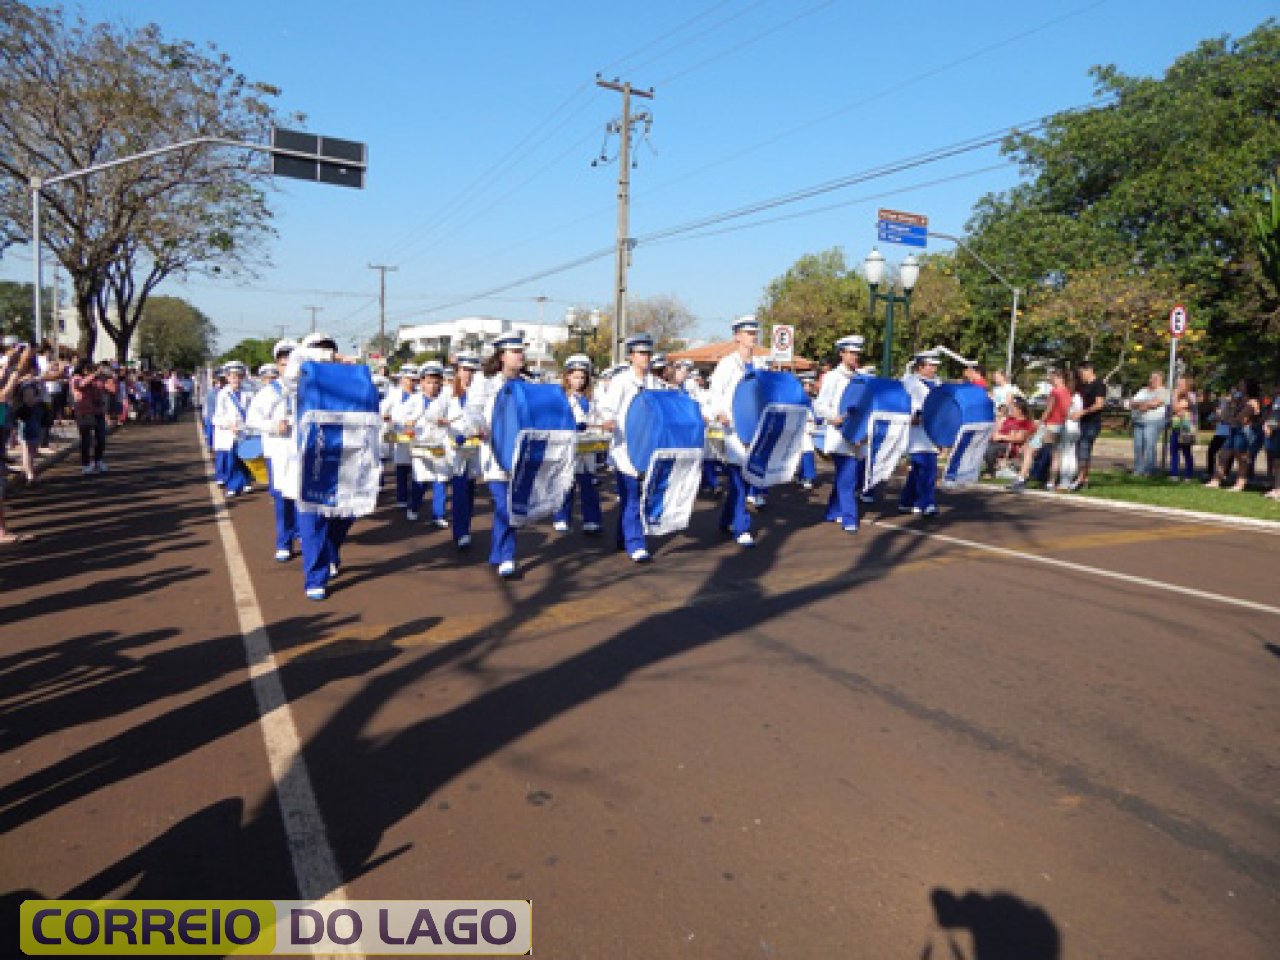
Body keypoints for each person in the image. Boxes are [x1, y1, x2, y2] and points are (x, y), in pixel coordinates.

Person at [464, 334, 533, 578]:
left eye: (521, 351)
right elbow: (473, 410)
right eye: (515, 351)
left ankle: (498, 552)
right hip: (494, 454)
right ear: (502, 355)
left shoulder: (528, 383)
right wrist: (478, 426)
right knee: (505, 506)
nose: (520, 355)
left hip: (520, 455)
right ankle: (507, 556)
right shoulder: (484, 381)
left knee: (511, 506)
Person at [599, 333, 663, 562]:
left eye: (648, 353)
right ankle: (636, 544)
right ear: (630, 356)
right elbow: (607, 407)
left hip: (647, 447)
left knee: (634, 498)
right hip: (625, 449)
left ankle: (622, 537)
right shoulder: (621, 381)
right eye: (641, 353)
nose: (646, 357)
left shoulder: (655, 383)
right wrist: (609, 420)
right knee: (632, 497)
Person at [707, 317, 762, 547]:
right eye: (748, 333)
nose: (753, 337)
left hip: (755, 428)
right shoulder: (727, 364)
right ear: (737, 336)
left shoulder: (759, 364)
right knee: (739, 478)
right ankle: (742, 528)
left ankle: (726, 519)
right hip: (734, 429)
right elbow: (715, 394)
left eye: (755, 333)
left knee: (744, 479)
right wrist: (720, 412)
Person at [247, 342, 299, 561]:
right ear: (278, 366)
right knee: (282, 498)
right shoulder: (270, 391)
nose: (288, 368)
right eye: (283, 364)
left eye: (292, 363)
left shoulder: (306, 388)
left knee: (302, 496)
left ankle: (302, 533)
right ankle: (284, 542)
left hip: (301, 451)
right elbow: (252, 418)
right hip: (278, 452)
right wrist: (273, 426)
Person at [813, 335, 867, 531]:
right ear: (842, 353)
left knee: (846, 476)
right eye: (851, 353)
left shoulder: (861, 377)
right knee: (848, 476)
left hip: (857, 435)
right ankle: (849, 519)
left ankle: (833, 511)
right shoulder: (832, 377)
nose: (854, 357)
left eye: (856, 353)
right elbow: (819, 405)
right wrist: (832, 417)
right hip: (839, 436)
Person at [553, 354, 604, 534]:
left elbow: (598, 418)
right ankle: (561, 517)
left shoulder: (592, 397)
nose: (579, 381)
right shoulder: (560, 397)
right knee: (566, 482)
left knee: (588, 483)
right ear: (567, 376)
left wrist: (599, 427)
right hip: (567, 445)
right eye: (575, 377)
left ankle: (591, 519)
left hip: (588, 445)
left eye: (583, 377)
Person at [1008, 368, 1069, 492]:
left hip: (1050, 425)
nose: (1050, 380)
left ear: (1059, 378)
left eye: (1052, 377)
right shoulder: (1067, 392)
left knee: (1029, 450)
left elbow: (1048, 410)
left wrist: (1040, 422)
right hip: (1061, 426)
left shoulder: (1055, 392)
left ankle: (1021, 479)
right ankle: (1051, 483)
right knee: (1056, 455)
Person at [898, 350, 942, 514]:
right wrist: (912, 417)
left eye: (935, 366)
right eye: (930, 365)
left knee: (918, 469)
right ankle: (927, 503)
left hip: (932, 432)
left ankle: (907, 500)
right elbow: (901, 405)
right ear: (920, 367)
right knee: (927, 468)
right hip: (915, 432)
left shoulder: (938, 383)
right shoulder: (908, 382)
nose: (933, 369)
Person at [411, 361, 451, 528]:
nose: (433, 386)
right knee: (420, 480)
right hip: (420, 445)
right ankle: (414, 506)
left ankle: (438, 514)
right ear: (421, 382)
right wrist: (408, 422)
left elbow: (455, 417)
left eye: (436, 382)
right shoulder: (414, 400)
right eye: (429, 382)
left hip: (439, 445)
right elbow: (400, 415)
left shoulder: (446, 400)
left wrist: (447, 422)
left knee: (440, 479)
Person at [1206, 379, 1261, 492]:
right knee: (1223, 455)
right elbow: (1227, 415)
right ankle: (1216, 480)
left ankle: (1240, 483)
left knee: (1241, 457)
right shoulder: (1238, 400)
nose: (1240, 387)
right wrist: (1230, 406)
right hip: (1233, 429)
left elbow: (1242, 417)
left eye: (1242, 385)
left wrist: (1231, 416)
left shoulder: (1253, 402)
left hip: (1243, 431)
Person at [212, 361, 255, 497]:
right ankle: (232, 486)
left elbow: (253, 410)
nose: (236, 379)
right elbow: (217, 417)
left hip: (245, 431)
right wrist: (229, 426)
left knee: (245, 458)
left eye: (238, 376)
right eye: (232, 376)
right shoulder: (223, 394)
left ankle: (245, 482)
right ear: (227, 378)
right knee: (231, 461)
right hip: (229, 432)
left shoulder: (248, 392)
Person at [1066, 362, 1106, 490]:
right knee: (1080, 450)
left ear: (1090, 370)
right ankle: (1083, 478)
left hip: (1092, 422)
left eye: (1082, 372)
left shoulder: (1099, 385)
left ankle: (1081, 478)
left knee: (1084, 449)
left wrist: (1083, 412)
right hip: (1081, 422)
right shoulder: (1082, 385)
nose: (1080, 375)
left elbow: (1099, 404)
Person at [70, 359, 110, 475]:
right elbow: (80, 385)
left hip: (97, 411)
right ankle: (86, 464)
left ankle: (98, 460)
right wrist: (94, 376)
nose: (90, 370)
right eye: (88, 368)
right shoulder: (76, 378)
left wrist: (103, 379)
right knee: (86, 440)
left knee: (101, 438)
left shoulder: (95, 379)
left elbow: (103, 390)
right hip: (84, 412)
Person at [1129, 371, 1169, 477]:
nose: (1152, 380)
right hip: (1138, 420)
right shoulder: (1143, 390)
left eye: (1156, 378)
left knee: (1149, 445)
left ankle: (1149, 470)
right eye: (1151, 378)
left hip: (1153, 421)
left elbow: (1155, 403)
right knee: (1138, 446)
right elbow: (1132, 402)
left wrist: (1143, 404)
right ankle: (1138, 469)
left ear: (1161, 380)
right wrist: (1144, 404)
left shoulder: (1163, 391)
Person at [1166, 376, 1198, 482]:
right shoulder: (1174, 395)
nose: (1179, 386)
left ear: (1186, 385)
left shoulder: (1191, 395)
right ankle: (1174, 473)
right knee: (1174, 451)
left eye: (1181, 384)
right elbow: (1172, 409)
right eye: (1178, 384)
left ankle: (1188, 475)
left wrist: (1175, 398)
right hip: (1176, 426)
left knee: (1186, 452)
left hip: (1186, 428)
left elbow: (1176, 408)